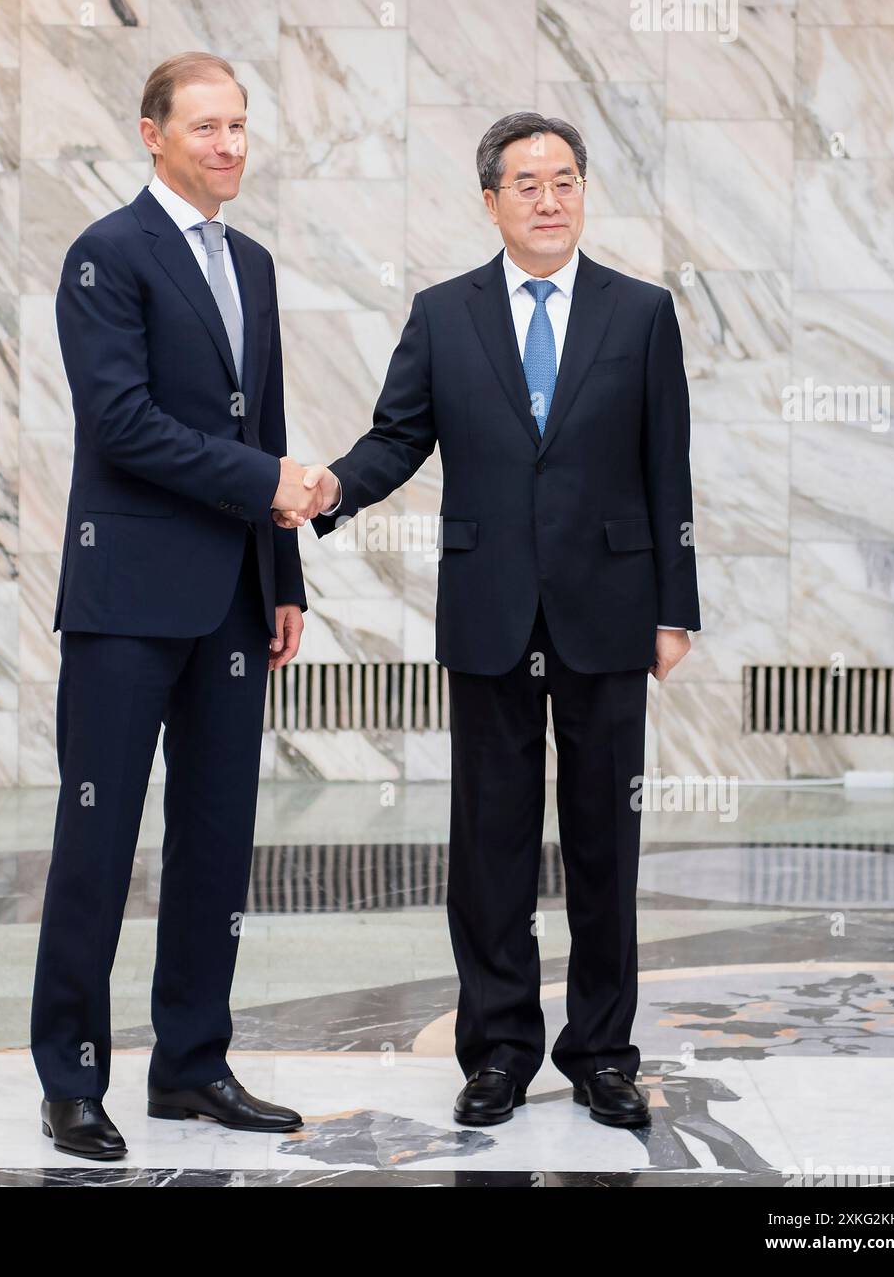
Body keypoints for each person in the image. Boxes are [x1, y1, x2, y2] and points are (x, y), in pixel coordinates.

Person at [280, 112, 701, 1128]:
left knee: (605, 842)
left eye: (563, 180)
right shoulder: (443, 313)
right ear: (490, 200)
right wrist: (332, 486)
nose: (548, 198)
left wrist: (674, 606)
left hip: (608, 606)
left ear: (581, 193)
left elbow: (666, 466)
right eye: (526, 183)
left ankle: (602, 1050)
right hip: (490, 613)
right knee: (491, 845)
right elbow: (397, 438)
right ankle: (500, 1049)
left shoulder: (640, 313)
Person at [30, 52, 328, 1160]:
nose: (229, 144)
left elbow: (265, 426)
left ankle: (192, 1068)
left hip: (236, 608)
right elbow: (121, 425)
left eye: (241, 125)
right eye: (205, 126)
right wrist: (264, 487)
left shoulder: (249, 261)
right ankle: (70, 1078)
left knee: (215, 842)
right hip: (125, 601)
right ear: (150, 134)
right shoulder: (106, 256)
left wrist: (282, 578)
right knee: (96, 842)